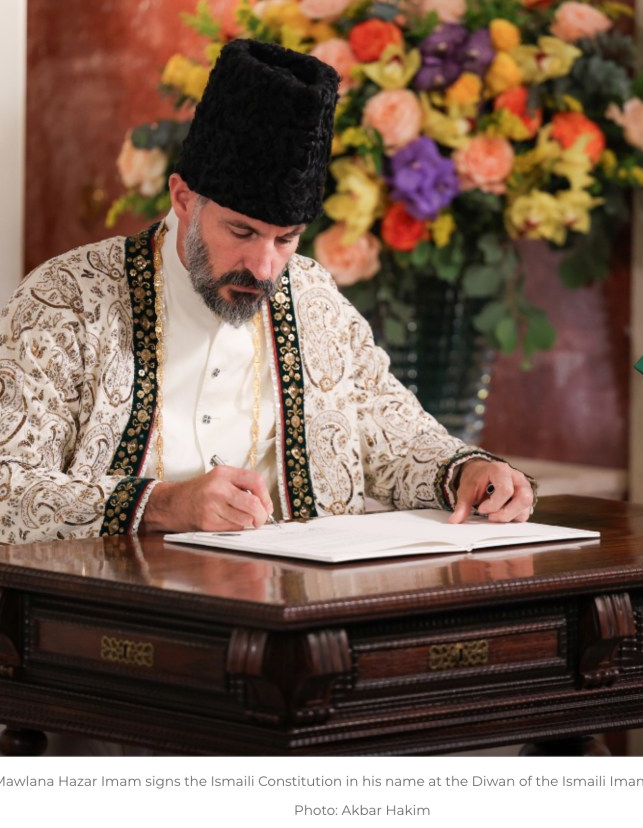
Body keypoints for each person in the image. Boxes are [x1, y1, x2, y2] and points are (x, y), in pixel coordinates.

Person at [0, 39, 534, 545]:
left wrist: (470, 471)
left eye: (286, 239)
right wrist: (162, 505)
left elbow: (396, 437)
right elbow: (7, 486)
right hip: (121, 615)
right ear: (184, 199)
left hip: (297, 606)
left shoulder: (314, 299)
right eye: (241, 232)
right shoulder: (67, 299)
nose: (263, 266)